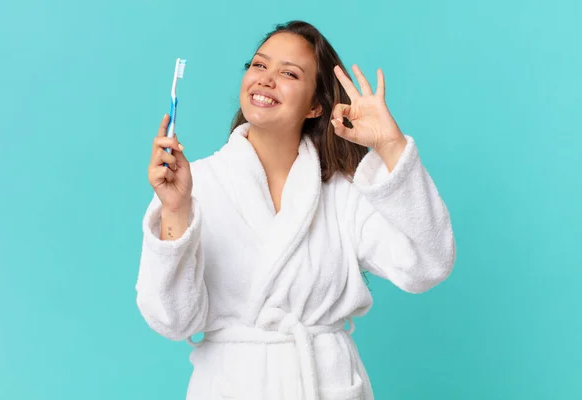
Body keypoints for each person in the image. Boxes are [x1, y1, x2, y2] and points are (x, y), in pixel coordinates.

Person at [136, 20, 456, 400]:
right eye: (258, 65)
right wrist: (174, 211)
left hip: (324, 384)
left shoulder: (342, 192)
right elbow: (172, 320)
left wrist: (390, 146)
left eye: (288, 73)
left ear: (315, 105)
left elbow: (428, 264)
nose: (266, 79)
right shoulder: (192, 184)